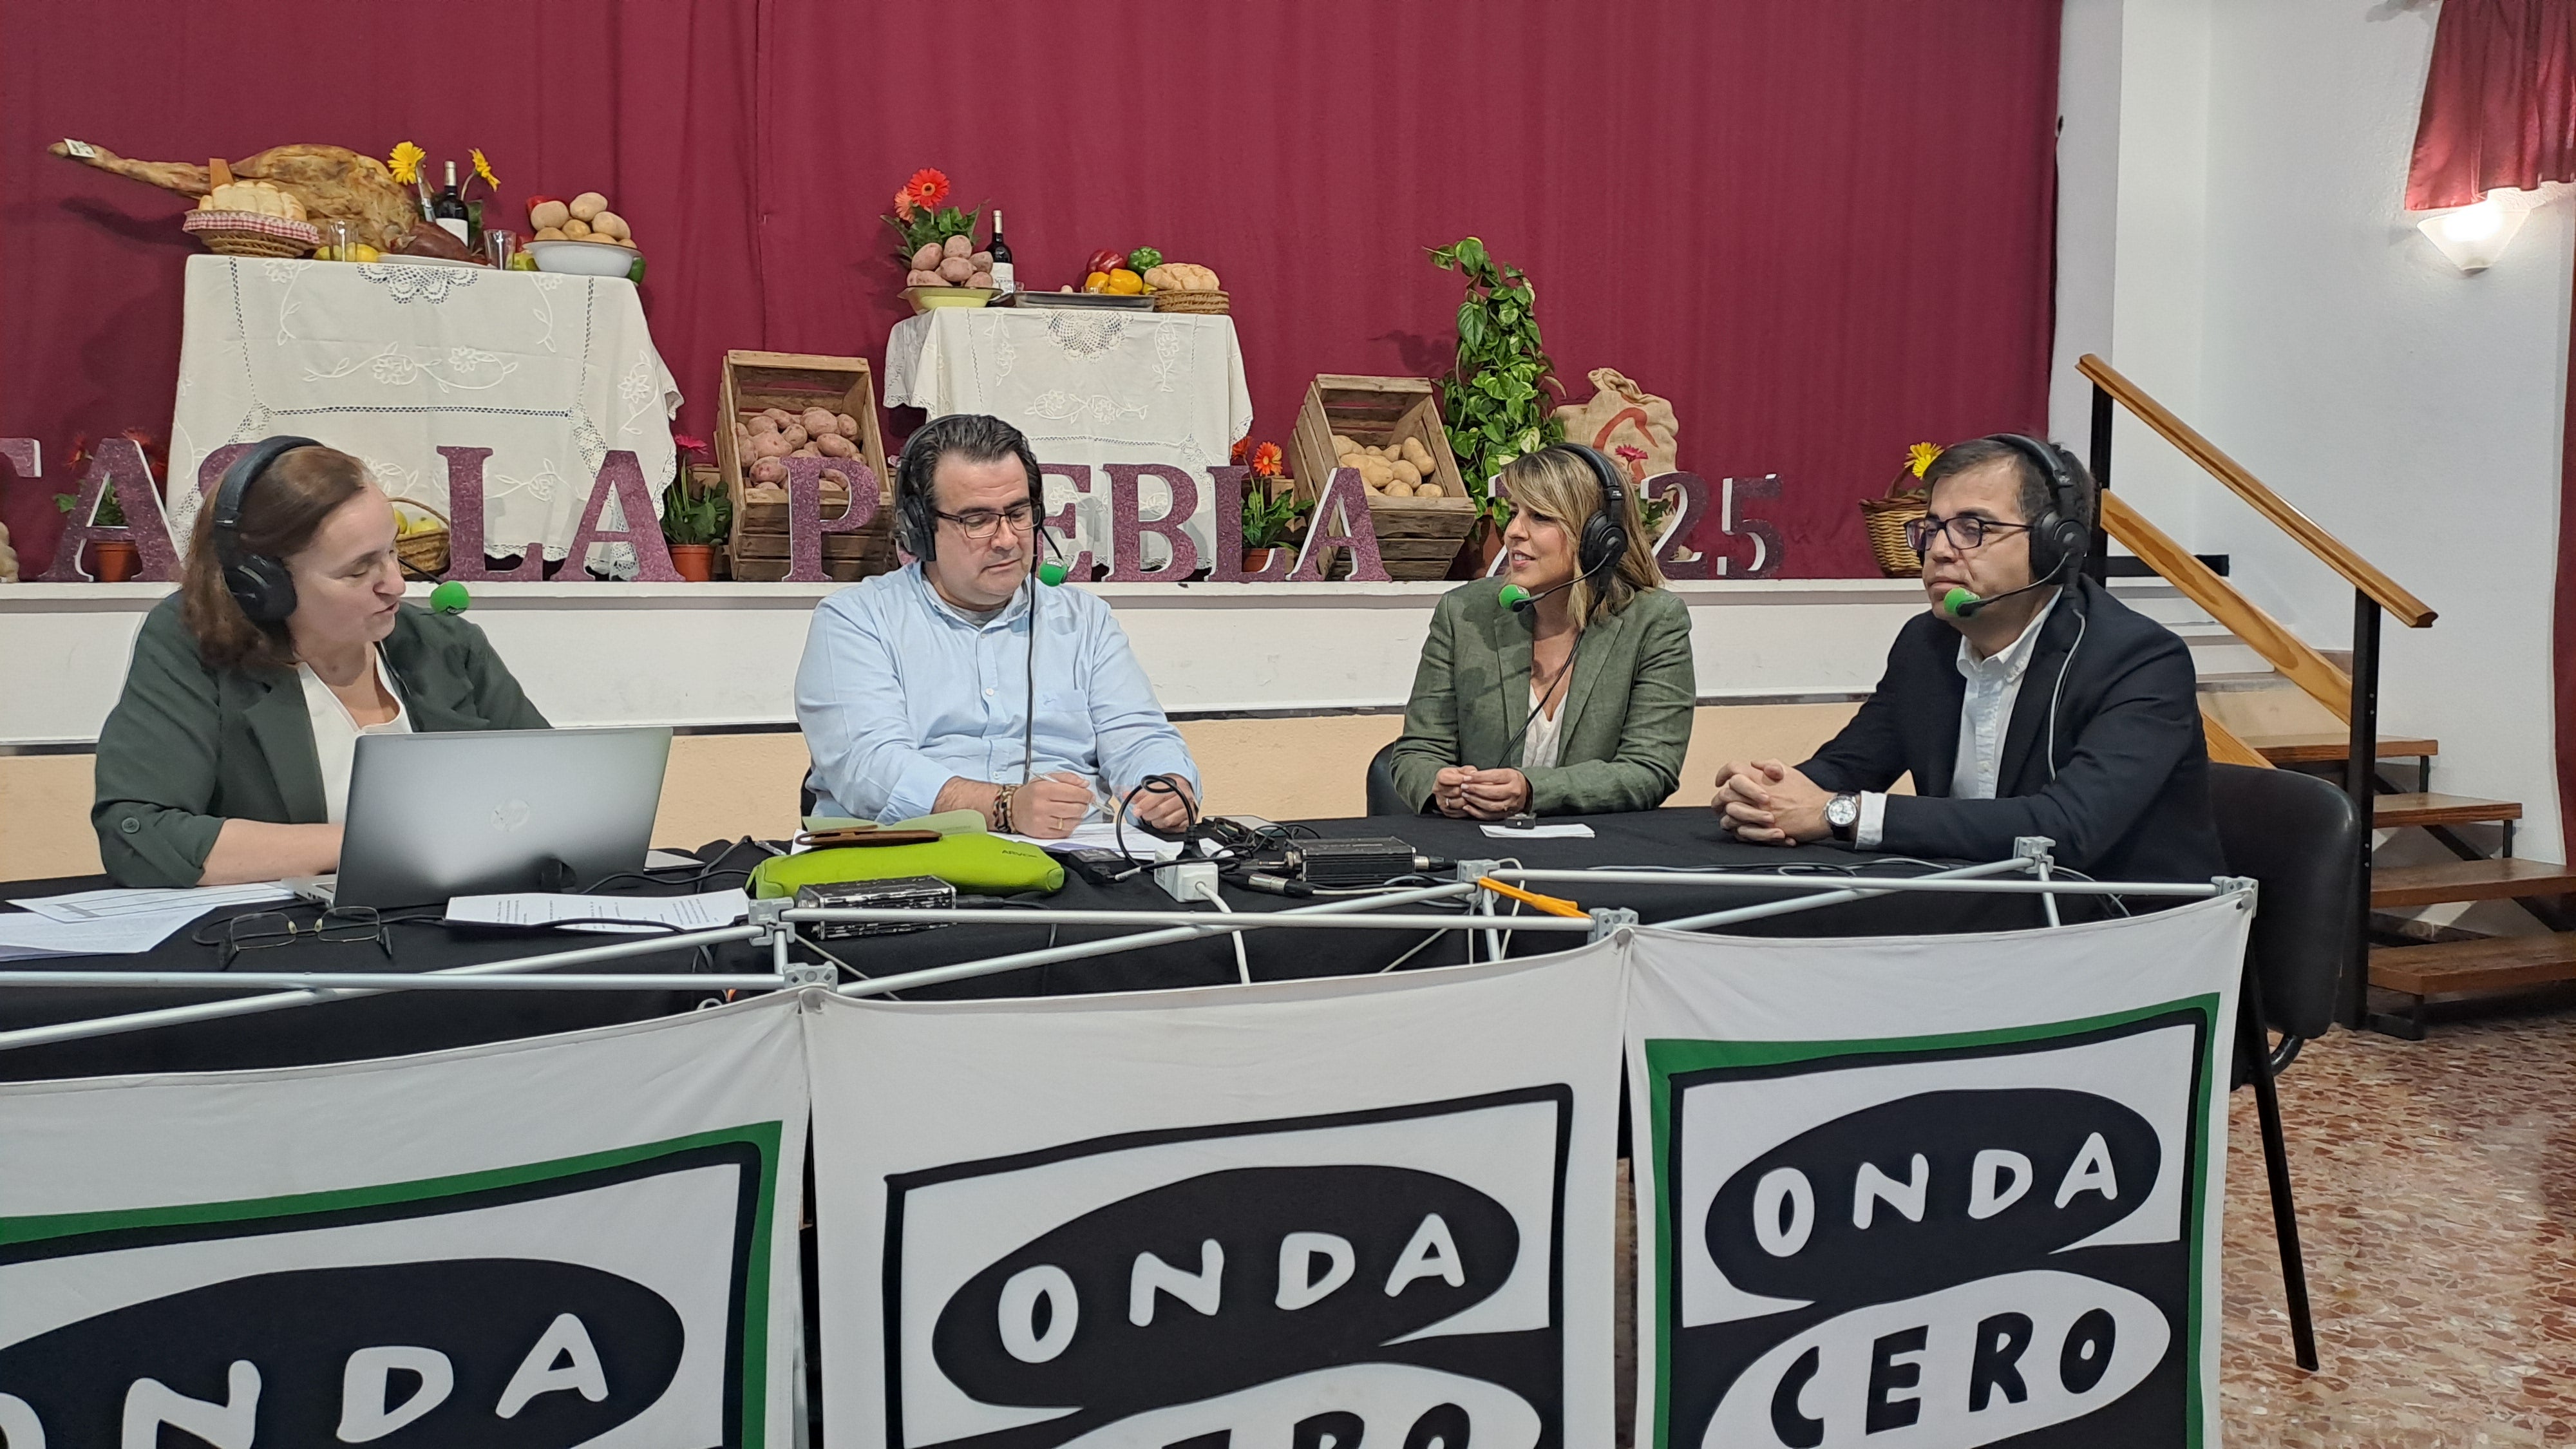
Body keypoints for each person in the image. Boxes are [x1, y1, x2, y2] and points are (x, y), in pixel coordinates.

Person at [1711, 434, 2223, 882]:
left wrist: (1841, 814)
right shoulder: (1926, 644)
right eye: (1932, 528)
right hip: (1984, 916)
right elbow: (1848, 767)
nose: (1939, 551)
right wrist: (1767, 797)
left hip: (2129, 934)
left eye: (1973, 528)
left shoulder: (2138, 660)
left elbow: (2067, 829)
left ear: (2055, 545)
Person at [93, 439, 548, 888]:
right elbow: (138, 835)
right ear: (262, 584)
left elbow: (555, 794)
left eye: (392, 552)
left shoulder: (444, 644)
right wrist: (374, 844)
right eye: (358, 570)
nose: (396, 585)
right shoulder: (191, 643)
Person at [795, 413, 1200, 838]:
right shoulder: (855, 621)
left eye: (1018, 513)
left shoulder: (1085, 621)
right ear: (920, 529)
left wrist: (1165, 785)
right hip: (908, 861)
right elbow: (868, 768)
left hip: (1073, 864)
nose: (1007, 539)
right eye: (977, 520)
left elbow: (1137, 735)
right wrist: (1004, 808)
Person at [1387, 444, 1695, 817]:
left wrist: (1533, 790)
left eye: (1541, 517)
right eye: (1515, 512)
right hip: (1478, 849)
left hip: (1595, 854)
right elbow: (1417, 752)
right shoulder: (1464, 613)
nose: (1514, 532)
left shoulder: (1654, 621)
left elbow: (1650, 769)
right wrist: (1440, 785)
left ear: (1599, 537)